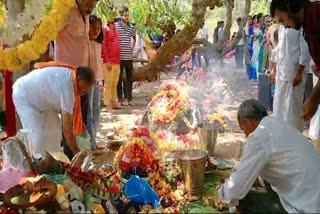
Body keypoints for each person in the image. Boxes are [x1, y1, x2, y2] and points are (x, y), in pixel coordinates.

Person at [217, 99, 320, 213]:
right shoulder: (276, 123)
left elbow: (235, 188)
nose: (245, 135)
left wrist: (220, 195)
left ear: (248, 122)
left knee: (243, 201)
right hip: (313, 194)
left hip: (307, 205)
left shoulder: (259, 136)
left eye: (243, 129)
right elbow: (278, 161)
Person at [12, 63, 94, 158]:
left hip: (42, 101)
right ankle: (31, 165)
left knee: (54, 131)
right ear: (80, 80)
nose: (87, 91)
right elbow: (67, 129)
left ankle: (52, 162)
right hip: (24, 95)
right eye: (87, 85)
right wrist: (77, 153)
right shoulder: (68, 86)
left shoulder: (71, 77)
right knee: (35, 136)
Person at [54, 0, 98, 159]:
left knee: (82, 120)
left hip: (83, 79)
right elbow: (47, 36)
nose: (91, 7)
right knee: (69, 121)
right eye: (88, 3)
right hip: (68, 79)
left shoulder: (85, 15)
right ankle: (70, 158)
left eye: (94, 4)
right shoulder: (64, 10)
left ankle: (79, 158)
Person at [270, 0, 320, 121]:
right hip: (283, 72)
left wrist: (313, 98)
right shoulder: (307, 24)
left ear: (289, 6)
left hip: (293, 71)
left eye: (282, 20)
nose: (285, 26)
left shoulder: (316, 15)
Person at [271, 25, 310, 132]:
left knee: (292, 111)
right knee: (278, 109)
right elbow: (279, 48)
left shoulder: (300, 25)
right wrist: (274, 68)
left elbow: (304, 48)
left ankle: (294, 141)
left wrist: (300, 72)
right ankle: (279, 139)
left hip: (294, 75)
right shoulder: (282, 26)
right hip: (281, 73)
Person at [87, 15, 103, 150]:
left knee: (96, 112)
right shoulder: (84, 43)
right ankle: (90, 143)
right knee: (89, 113)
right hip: (88, 82)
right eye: (94, 28)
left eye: (99, 28)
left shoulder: (98, 43)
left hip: (97, 80)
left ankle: (94, 140)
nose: (96, 31)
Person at [116, 6, 136, 106]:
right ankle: (119, 99)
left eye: (128, 15)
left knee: (129, 79)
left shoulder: (131, 27)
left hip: (129, 57)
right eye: (125, 15)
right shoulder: (116, 26)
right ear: (121, 16)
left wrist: (132, 49)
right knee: (118, 79)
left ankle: (129, 99)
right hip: (119, 58)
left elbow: (134, 38)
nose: (127, 17)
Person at [102, 18, 122, 109]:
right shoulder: (105, 28)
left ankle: (114, 101)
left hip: (117, 60)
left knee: (115, 82)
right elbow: (103, 44)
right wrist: (107, 60)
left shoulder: (116, 27)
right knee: (108, 83)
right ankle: (107, 103)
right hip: (109, 61)